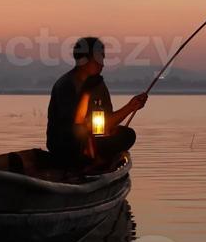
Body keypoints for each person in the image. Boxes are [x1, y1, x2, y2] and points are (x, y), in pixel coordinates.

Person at [46, 37, 147, 171]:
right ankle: (91, 163)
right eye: (99, 59)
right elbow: (74, 126)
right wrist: (86, 94)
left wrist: (131, 107)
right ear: (85, 60)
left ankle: (96, 160)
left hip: (93, 141)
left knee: (127, 134)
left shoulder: (99, 85)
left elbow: (107, 122)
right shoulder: (66, 85)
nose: (103, 64)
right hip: (68, 145)